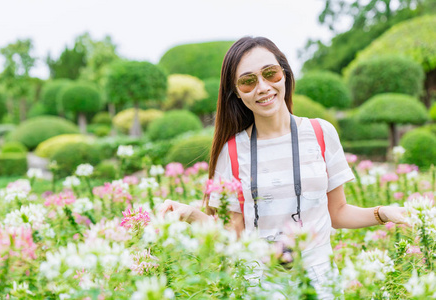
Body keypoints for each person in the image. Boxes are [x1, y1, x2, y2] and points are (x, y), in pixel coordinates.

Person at [158, 36, 407, 298]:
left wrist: (384, 213)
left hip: (321, 285)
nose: (263, 87)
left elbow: (338, 212)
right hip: (261, 287)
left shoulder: (321, 133)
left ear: (285, 74)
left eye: (270, 74)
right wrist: (190, 215)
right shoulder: (231, 152)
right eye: (248, 81)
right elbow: (233, 236)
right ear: (236, 91)